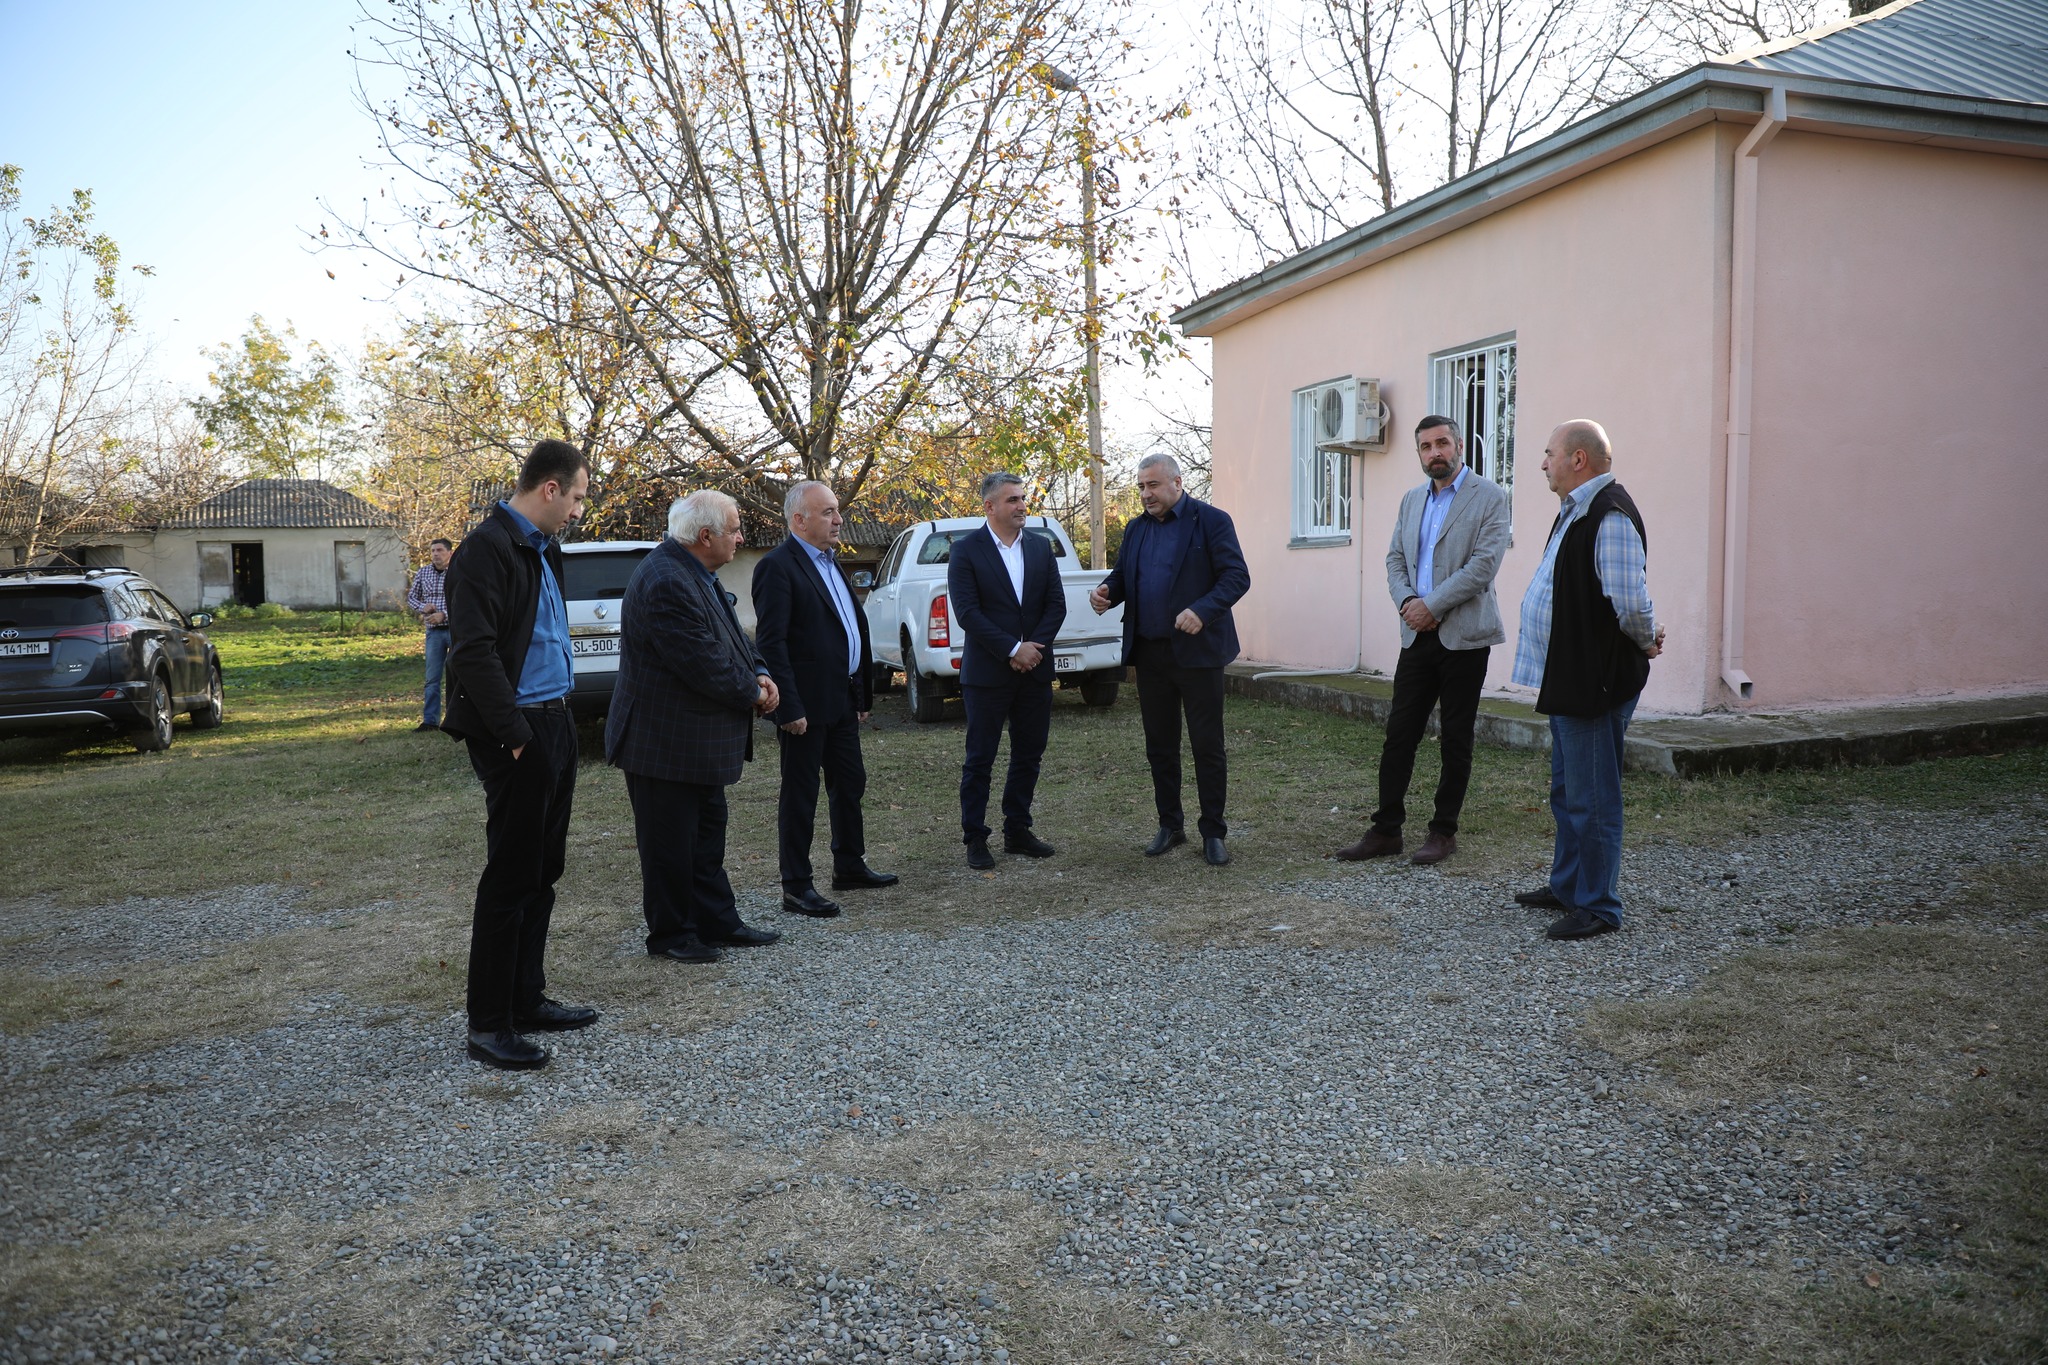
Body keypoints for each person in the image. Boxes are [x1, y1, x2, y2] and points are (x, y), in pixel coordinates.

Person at [441, 441, 600, 1071]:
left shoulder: (542, 547)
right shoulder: (486, 549)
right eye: (578, 497)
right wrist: (513, 733)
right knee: (510, 876)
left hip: (555, 722)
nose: (579, 510)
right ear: (550, 488)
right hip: (519, 731)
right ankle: (489, 1024)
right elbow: (472, 651)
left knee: (543, 867)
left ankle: (526, 998)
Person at [605, 490, 786, 963]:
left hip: (692, 742)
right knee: (670, 845)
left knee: (705, 838)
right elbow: (701, 662)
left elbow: (731, 637)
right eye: (735, 530)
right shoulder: (667, 579)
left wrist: (759, 671)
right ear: (706, 536)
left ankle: (716, 921)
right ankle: (672, 936)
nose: (741, 539)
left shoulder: (694, 571)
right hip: (662, 744)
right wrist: (753, 693)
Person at [1510, 419, 1665, 941]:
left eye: (1549, 453)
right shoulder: (1576, 510)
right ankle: (1569, 886)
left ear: (1578, 459)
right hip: (1570, 675)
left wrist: (1645, 640)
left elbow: (1631, 602)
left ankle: (1598, 905)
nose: (1543, 463)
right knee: (1567, 789)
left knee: (1592, 798)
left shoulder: (1609, 514)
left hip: (1594, 680)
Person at [1331, 416, 1511, 867]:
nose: (1435, 452)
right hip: (1416, 636)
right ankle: (1385, 830)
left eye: (1442, 443)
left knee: (1456, 738)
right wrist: (1408, 602)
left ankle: (1443, 831)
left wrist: (1431, 605)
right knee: (1399, 734)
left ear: (1460, 446)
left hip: (1464, 636)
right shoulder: (1412, 499)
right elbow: (1395, 558)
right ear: (1419, 454)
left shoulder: (1489, 496)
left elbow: (1483, 566)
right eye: (1426, 447)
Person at [1088, 452, 1250, 866]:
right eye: (1141, 486)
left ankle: (1213, 832)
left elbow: (1236, 577)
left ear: (1177, 483)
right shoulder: (1136, 529)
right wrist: (1107, 592)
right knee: (1160, 745)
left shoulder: (1211, 521)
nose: (1146, 494)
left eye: (1153, 485)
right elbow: (1124, 576)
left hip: (1198, 654)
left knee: (1207, 745)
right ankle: (1170, 824)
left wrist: (1202, 610)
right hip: (1150, 653)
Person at [752, 481, 899, 919]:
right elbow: (772, 644)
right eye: (828, 512)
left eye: (837, 511)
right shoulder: (777, 567)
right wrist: (788, 707)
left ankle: (849, 865)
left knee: (850, 783)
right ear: (799, 520)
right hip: (804, 707)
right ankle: (796, 886)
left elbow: (848, 630)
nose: (839, 519)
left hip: (841, 701)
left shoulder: (831, 561)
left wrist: (860, 693)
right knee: (801, 795)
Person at [948, 472, 1067, 869]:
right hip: (988, 674)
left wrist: (1032, 650)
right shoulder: (966, 551)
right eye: (1013, 500)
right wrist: (1013, 649)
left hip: (1035, 671)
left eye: (1022, 498)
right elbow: (967, 613)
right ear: (990, 506)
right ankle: (975, 838)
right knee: (980, 758)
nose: (1021, 506)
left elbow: (1056, 605)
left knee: (1029, 754)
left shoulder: (1039, 547)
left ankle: (1017, 830)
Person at [407, 537, 455, 731]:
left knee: (457, 676)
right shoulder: (423, 572)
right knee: (432, 678)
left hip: (455, 630)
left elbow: (466, 600)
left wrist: (444, 614)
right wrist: (423, 606)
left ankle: (456, 719)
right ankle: (430, 721)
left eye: (440, 550)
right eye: (433, 550)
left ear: (450, 553)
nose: (435, 554)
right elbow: (411, 597)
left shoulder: (458, 572)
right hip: (434, 633)